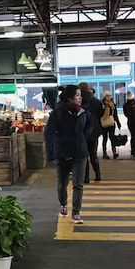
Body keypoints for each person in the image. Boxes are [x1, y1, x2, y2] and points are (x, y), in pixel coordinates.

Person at [45, 84, 94, 225]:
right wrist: (50, 153)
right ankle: (63, 204)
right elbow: (48, 132)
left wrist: (85, 135)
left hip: (80, 151)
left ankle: (76, 213)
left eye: (80, 95)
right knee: (63, 183)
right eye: (77, 95)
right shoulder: (58, 112)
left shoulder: (83, 110)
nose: (80, 98)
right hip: (62, 152)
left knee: (78, 184)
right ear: (69, 98)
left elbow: (91, 122)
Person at [78, 82, 102, 182]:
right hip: (95, 129)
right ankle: (98, 175)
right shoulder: (96, 101)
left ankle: (86, 177)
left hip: (83, 129)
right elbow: (100, 114)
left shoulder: (79, 100)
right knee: (93, 154)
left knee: (84, 155)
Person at [99, 91, 122, 158]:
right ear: (104, 97)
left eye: (110, 95)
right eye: (107, 96)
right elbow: (99, 114)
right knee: (105, 138)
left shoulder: (112, 104)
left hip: (111, 123)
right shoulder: (101, 104)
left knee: (112, 137)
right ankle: (104, 153)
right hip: (104, 123)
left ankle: (114, 152)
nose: (109, 97)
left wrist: (118, 122)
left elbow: (115, 114)